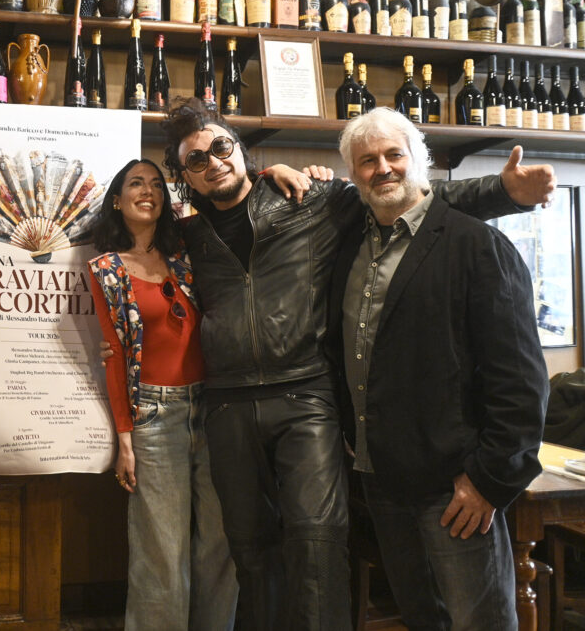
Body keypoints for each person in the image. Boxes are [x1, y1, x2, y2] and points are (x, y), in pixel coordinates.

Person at [159, 97, 556, 630]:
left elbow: (415, 197)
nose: (214, 162)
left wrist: (503, 191)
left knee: (320, 546)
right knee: (251, 551)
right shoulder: (188, 235)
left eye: (221, 147)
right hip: (254, 416)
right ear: (184, 174)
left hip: (322, 406)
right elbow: (127, 230)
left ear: (240, 148)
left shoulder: (311, 201)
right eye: (196, 159)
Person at [327, 107, 549, 630]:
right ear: (352, 173)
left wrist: (490, 481)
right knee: (423, 619)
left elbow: (520, 380)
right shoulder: (349, 245)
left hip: (457, 488)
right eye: (367, 161)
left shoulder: (477, 245)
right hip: (381, 480)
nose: (382, 168)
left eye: (394, 155)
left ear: (419, 159)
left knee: (480, 623)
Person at [88, 158, 238, 631]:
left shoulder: (188, 252)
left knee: (220, 541)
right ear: (117, 200)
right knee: (162, 551)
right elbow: (113, 354)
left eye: (156, 184)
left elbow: (235, 191)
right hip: (155, 414)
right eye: (136, 183)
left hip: (214, 406)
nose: (148, 191)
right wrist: (125, 439)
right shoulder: (106, 270)